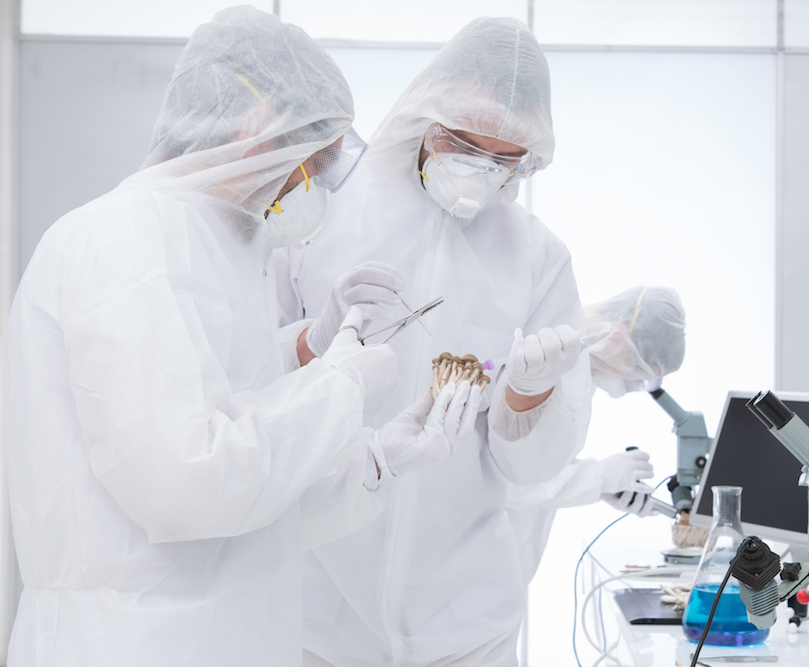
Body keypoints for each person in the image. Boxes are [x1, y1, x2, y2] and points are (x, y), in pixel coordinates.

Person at [1, 7, 479, 667]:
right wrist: (340, 386)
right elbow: (189, 484)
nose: (307, 189)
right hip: (133, 645)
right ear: (257, 128)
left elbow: (255, 497)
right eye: (310, 165)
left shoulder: (216, 245)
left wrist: (376, 455)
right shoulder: (124, 240)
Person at [273, 17, 594, 667]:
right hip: (316, 610)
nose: (479, 172)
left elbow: (532, 469)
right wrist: (313, 340)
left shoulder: (536, 257)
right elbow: (248, 382)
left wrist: (530, 396)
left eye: (503, 161)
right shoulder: (324, 212)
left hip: (465, 623)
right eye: (463, 146)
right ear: (428, 118)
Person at [506, 286, 687, 585]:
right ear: (617, 338)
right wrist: (598, 477)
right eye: (637, 372)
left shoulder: (583, 372)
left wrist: (602, 489)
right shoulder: (543, 359)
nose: (630, 385)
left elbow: (544, 466)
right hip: (474, 568)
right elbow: (508, 481)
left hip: (508, 567)